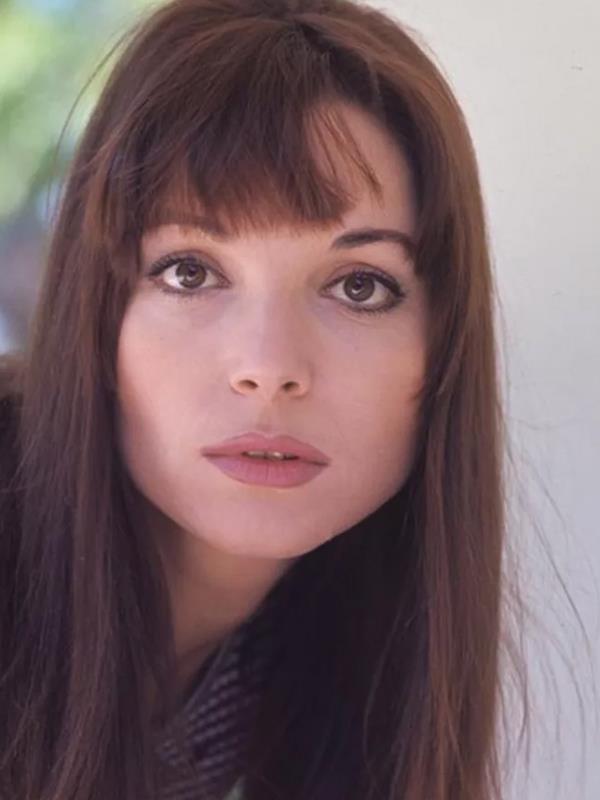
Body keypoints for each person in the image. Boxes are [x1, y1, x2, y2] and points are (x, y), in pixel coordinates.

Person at [0, 1, 529, 798]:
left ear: (444, 348)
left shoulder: (340, 662)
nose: (269, 367)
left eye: (359, 286)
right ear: (97, 316)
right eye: (189, 272)